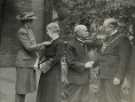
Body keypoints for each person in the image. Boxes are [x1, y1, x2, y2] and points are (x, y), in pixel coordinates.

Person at [15, 11, 52, 102]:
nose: (32, 23)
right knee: (21, 89)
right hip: (23, 63)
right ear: (27, 22)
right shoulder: (22, 31)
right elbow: (28, 47)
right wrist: (43, 43)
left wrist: (43, 47)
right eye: (31, 21)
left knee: (24, 89)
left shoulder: (29, 30)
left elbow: (33, 45)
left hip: (29, 62)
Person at [97, 18, 132, 102]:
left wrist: (119, 76)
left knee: (112, 99)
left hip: (113, 76)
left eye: (104, 27)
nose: (102, 28)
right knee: (103, 99)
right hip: (104, 75)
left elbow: (124, 60)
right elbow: (104, 56)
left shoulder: (122, 39)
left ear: (111, 27)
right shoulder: (108, 38)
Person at [62, 24, 96, 102]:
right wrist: (85, 65)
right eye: (85, 31)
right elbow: (70, 62)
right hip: (75, 80)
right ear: (78, 32)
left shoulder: (85, 43)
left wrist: (89, 62)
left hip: (85, 79)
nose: (87, 32)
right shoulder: (71, 45)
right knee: (74, 99)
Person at [37, 22, 65, 102]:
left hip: (53, 71)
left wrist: (45, 66)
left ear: (52, 31)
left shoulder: (60, 42)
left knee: (51, 91)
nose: (46, 32)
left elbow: (58, 57)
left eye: (47, 30)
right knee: (45, 90)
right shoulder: (51, 42)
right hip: (46, 70)